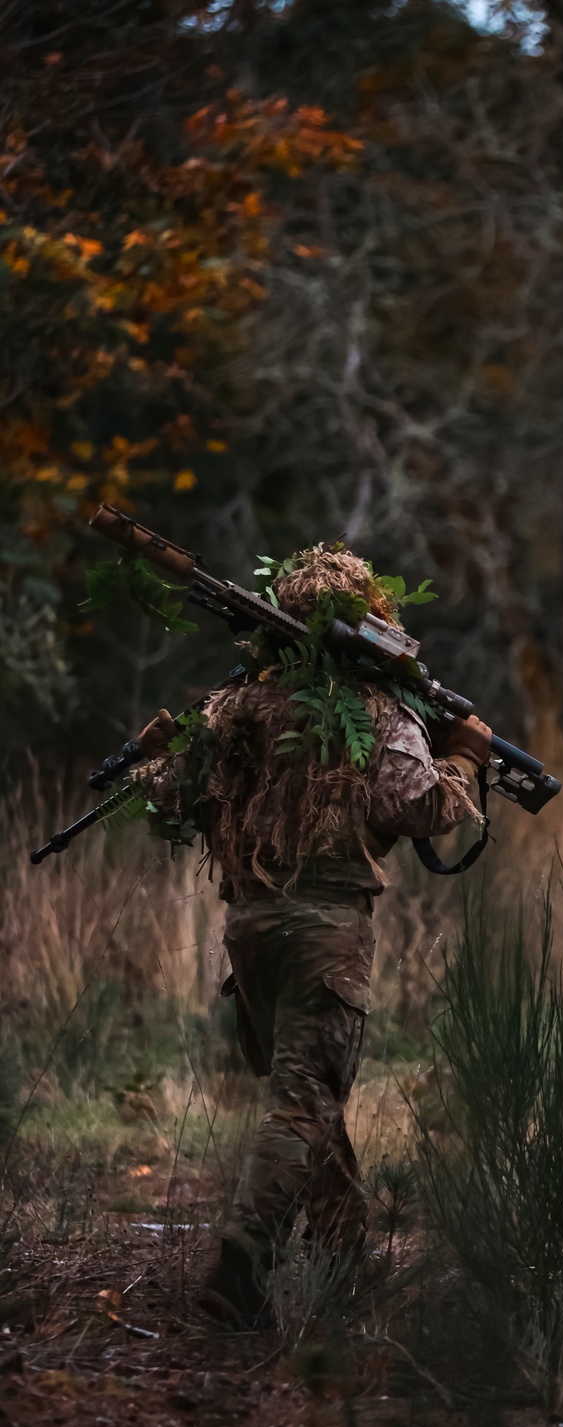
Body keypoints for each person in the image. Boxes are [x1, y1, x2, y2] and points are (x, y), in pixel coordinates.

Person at [135, 543, 491, 1324]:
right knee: (303, 1100)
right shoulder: (375, 710)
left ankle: (340, 1266)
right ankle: (239, 1273)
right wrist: (464, 758)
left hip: (250, 932)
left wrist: (158, 756)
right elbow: (420, 809)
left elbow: (171, 796)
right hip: (327, 930)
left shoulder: (234, 707)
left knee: (307, 1099)